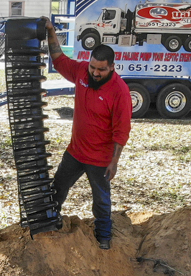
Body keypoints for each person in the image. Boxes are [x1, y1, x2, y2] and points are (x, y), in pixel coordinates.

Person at [43, 18, 132, 250]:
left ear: (112, 67)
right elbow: (59, 58)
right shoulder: (82, 72)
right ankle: (48, 224)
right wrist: (51, 31)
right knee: (57, 188)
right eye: (93, 67)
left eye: (101, 69)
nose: (95, 72)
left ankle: (104, 237)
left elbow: (121, 130)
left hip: (100, 159)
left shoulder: (120, 92)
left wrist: (114, 161)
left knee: (101, 201)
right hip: (75, 152)